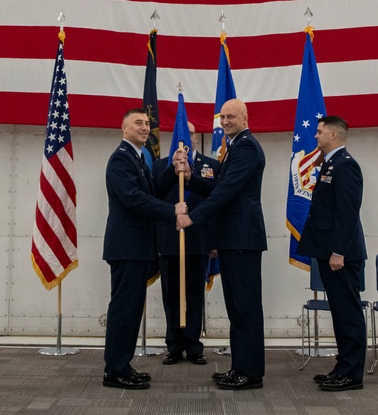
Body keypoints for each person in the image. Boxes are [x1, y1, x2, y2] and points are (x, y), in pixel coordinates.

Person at [175, 98, 267, 390]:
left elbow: (227, 191)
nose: (225, 121)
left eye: (231, 116)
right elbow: (218, 187)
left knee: (245, 308)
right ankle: (241, 367)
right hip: (233, 238)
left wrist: (194, 217)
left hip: (242, 238)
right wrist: (191, 178)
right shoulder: (235, 147)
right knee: (238, 308)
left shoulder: (247, 147)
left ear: (245, 118)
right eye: (222, 117)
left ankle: (250, 373)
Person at [102, 108, 187, 390]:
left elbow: (151, 191)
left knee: (131, 309)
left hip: (138, 247)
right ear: (123, 128)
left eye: (147, 123)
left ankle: (122, 365)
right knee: (124, 309)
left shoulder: (139, 159)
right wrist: (172, 210)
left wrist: (173, 170)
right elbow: (134, 199)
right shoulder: (120, 159)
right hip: (127, 247)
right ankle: (115, 370)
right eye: (137, 123)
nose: (144, 127)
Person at [296, 115, 367, 392]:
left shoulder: (346, 166)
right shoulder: (330, 164)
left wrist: (338, 251)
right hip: (329, 251)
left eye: (319, 132)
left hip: (341, 254)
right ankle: (343, 367)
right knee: (339, 312)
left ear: (334, 135)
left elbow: (347, 213)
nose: (315, 136)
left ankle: (351, 374)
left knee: (348, 313)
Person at [156, 122, 218, 366]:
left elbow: (216, 203)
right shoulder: (162, 166)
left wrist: (214, 241)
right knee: (171, 295)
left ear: (195, 137)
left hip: (200, 239)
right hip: (170, 239)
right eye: (182, 133)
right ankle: (173, 345)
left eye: (191, 133)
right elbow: (155, 199)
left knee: (194, 294)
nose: (187, 138)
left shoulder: (210, 166)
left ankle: (193, 345)